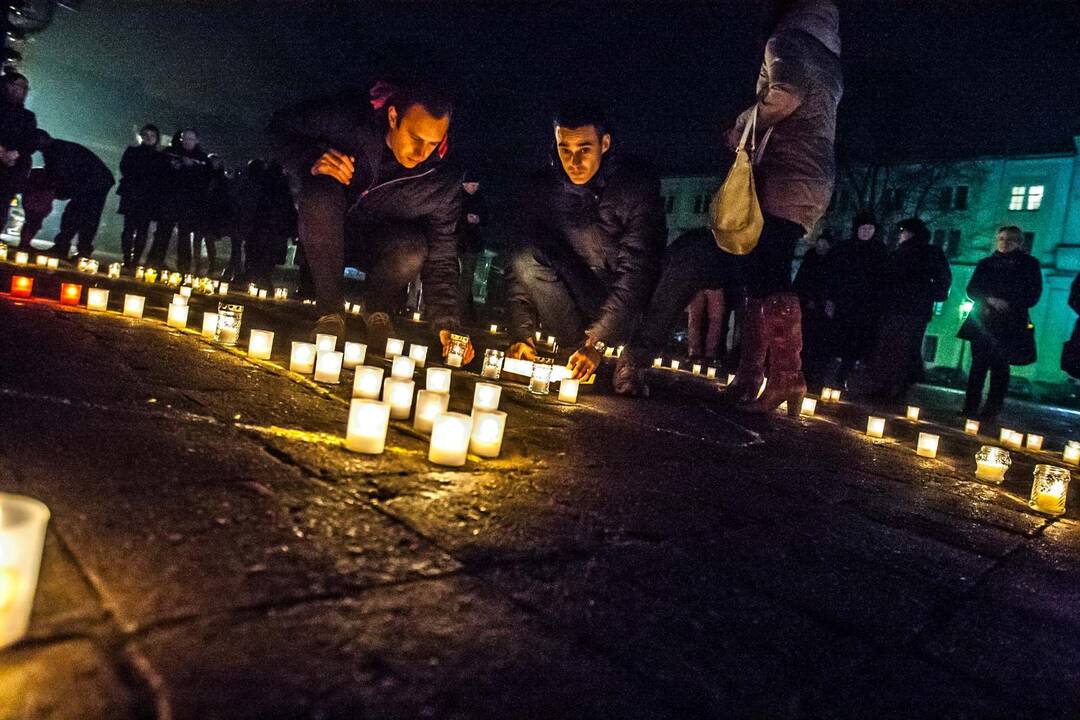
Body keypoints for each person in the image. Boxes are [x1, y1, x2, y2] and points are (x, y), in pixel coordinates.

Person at [617, 0, 842, 410]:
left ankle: (785, 378)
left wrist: (742, 125)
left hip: (783, 174)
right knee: (763, 271)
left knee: (768, 271)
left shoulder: (787, 40)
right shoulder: (830, 60)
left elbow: (786, 93)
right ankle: (753, 377)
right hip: (814, 178)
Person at [268, 76, 472, 363]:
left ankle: (377, 310)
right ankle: (330, 313)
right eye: (415, 138)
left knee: (414, 248)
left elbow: (442, 254)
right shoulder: (352, 120)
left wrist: (446, 324)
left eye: (432, 143)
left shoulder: (441, 179)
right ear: (392, 116)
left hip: (380, 246)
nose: (421, 153)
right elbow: (280, 126)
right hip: (326, 229)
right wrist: (310, 158)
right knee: (320, 193)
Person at [504, 100, 666, 381]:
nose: (573, 162)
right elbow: (526, 261)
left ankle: (605, 352)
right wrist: (522, 333)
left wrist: (600, 341)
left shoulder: (633, 186)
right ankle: (574, 351)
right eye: (564, 149)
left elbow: (637, 271)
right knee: (523, 255)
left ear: (604, 144)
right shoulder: (545, 189)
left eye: (584, 150)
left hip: (625, 308)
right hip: (576, 298)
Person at [958, 226, 1043, 422]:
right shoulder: (986, 263)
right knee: (977, 366)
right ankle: (970, 406)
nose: (1005, 242)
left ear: (1019, 243)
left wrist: (1009, 302)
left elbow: (1033, 294)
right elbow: (972, 289)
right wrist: (989, 299)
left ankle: (991, 410)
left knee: (1000, 367)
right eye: (1002, 238)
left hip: (1009, 323)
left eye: (1010, 239)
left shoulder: (1028, 265)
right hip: (983, 320)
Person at [864, 217, 951, 400]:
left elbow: (942, 280)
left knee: (899, 348)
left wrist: (928, 293)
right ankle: (890, 387)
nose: (900, 235)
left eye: (902, 231)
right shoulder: (903, 252)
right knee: (895, 348)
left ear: (910, 233)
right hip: (903, 308)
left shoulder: (922, 253)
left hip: (908, 309)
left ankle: (894, 387)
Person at [826, 211, 889, 388]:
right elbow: (832, 275)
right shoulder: (844, 249)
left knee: (855, 343)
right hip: (844, 303)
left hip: (866, 307)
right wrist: (830, 299)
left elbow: (883, 279)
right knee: (837, 338)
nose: (867, 231)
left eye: (870, 228)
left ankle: (842, 377)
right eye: (864, 228)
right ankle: (827, 374)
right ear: (857, 229)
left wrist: (879, 304)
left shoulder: (879, 250)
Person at [34, 130, 115, 261]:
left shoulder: (54, 151)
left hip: (93, 181)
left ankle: (68, 248)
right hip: (96, 180)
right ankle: (80, 250)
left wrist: (58, 192)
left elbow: (58, 175)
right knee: (85, 216)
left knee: (78, 214)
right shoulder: (57, 148)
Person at [147, 128, 211, 274]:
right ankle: (155, 262)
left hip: (188, 204)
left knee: (184, 236)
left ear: (196, 141)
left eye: (190, 139)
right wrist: (173, 168)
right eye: (185, 139)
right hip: (170, 200)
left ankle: (183, 268)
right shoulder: (171, 152)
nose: (187, 142)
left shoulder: (202, 159)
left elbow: (205, 180)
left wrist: (191, 168)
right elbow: (160, 172)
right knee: (163, 233)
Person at [117, 123, 168, 267]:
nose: (149, 138)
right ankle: (128, 259)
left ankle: (134, 260)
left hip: (148, 198)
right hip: (133, 194)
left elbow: (162, 178)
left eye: (152, 136)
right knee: (129, 228)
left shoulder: (161, 157)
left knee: (142, 230)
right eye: (146, 135)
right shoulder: (133, 151)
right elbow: (124, 168)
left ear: (157, 138)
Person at [793, 228, 836, 388]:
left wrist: (823, 301)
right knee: (802, 339)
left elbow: (829, 285)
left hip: (820, 309)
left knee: (817, 342)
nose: (822, 246)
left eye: (825, 244)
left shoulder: (832, 263)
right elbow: (801, 280)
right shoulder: (810, 258)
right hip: (805, 305)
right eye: (820, 243)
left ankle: (813, 376)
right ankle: (800, 372)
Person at [0, 71, 37, 236]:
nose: (24, 91)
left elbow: (30, 141)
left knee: (2, 204)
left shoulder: (28, 117)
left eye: (25, 88)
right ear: (8, 86)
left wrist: (16, 153)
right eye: (21, 86)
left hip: (10, 170)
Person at [459, 171, 487, 320]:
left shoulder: (479, 199)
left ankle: (462, 311)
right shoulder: (456, 197)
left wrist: (478, 219)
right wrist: (464, 218)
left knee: (467, 277)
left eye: (477, 185)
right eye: (472, 185)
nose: (475, 188)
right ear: (465, 184)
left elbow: (487, 218)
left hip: (472, 243)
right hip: (456, 242)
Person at [200, 154, 233, 277]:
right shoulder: (206, 175)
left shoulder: (221, 179)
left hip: (214, 213)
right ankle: (208, 263)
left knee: (209, 238)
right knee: (205, 239)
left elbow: (224, 196)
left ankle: (212, 264)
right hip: (206, 211)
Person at [687, 286, 726, 364]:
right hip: (704, 283)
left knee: (713, 320)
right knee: (696, 318)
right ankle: (697, 353)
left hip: (710, 283)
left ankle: (705, 354)